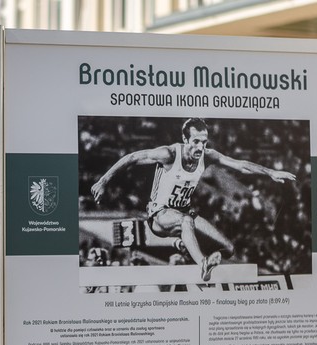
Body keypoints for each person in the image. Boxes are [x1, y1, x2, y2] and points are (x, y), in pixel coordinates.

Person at [91, 117, 296, 282]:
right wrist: (103, 181)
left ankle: (186, 246)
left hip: (184, 213)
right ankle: (202, 264)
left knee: (229, 249)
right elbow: (132, 158)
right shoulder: (169, 154)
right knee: (186, 221)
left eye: (204, 142)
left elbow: (239, 164)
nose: (200, 147)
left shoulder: (207, 156)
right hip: (159, 216)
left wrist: (270, 172)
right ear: (185, 138)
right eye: (196, 141)